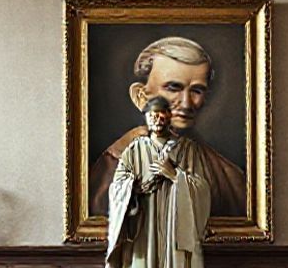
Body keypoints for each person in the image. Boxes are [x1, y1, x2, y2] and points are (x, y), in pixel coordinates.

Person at [89, 36, 247, 218]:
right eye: (173, 88)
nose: (187, 103)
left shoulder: (228, 175)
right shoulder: (115, 162)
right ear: (141, 96)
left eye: (196, 90)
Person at [100, 96, 210, 268]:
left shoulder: (187, 150)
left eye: (162, 114)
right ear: (145, 118)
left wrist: (175, 176)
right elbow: (116, 189)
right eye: (152, 115)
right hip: (142, 231)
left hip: (174, 230)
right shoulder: (134, 150)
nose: (157, 119)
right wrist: (136, 188)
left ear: (169, 117)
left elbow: (203, 189)